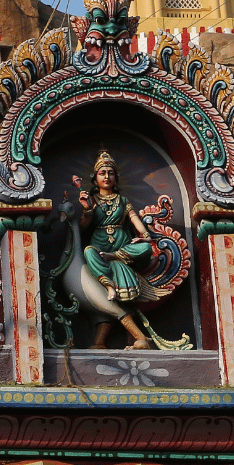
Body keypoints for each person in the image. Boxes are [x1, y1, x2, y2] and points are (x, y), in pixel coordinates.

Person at [78, 149, 156, 349]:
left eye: (110, 173)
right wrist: (87, 209)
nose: (106, 176)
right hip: (99, 245)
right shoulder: (93, 200)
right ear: (95, 178)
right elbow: (84, 227)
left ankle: (114, 257)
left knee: (147, 248)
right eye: (102, 173)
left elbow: (136, 222)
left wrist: (144, 236)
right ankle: (109, 285)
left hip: (121, 248)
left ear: (116, 177)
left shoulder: (123, 201)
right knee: (88, 252)